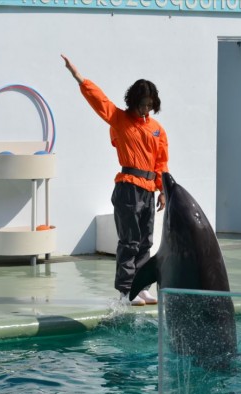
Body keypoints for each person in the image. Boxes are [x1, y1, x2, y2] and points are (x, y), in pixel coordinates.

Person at [61, 54, 168, 306]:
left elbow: (161, 162)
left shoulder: (157, 129)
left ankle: (141, 287)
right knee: (129, 241)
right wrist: (78, 78)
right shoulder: (120, 120)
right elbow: (100, 101)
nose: (145, 109)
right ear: (133, 101)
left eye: (149, 105)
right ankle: (125, 290)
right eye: (142, 104)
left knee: (145, 242)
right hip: (128, 187)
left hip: (148, 190)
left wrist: (162, 190)